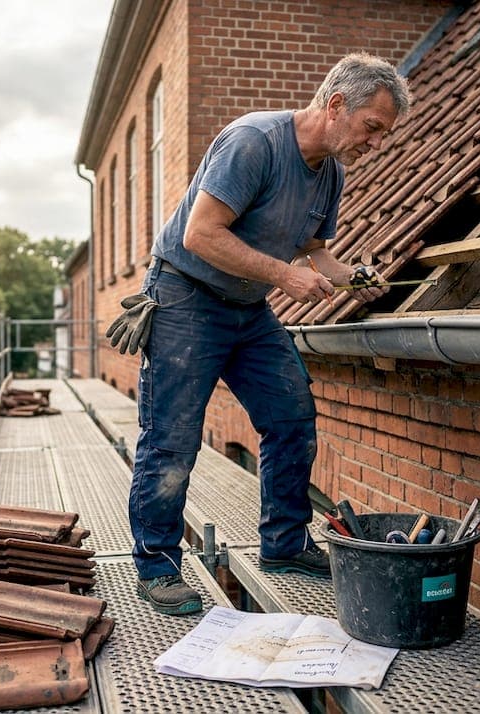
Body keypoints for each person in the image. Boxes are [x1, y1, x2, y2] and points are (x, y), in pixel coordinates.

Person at [128, 52, 410, 615]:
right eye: (372, 128)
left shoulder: (330, 173)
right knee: (173, 436)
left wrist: (353, 278)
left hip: (247, 308)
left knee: (290, 416)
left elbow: (315, 253)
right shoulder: (253, 142)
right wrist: (286, 277)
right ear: (336, 106)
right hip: (186, 296)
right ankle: (157, 565)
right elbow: (200, 236)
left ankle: (284, 543)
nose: (374, 142)